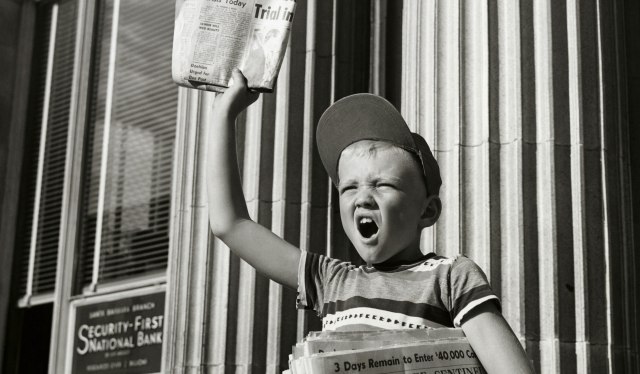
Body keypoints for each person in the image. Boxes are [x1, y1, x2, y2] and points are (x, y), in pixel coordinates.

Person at [207, 69, 535, 373]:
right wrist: (224, 114)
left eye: (383, 185)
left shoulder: (451, 277)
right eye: (349, 187)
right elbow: (230, 224)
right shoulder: (330, 280)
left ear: (428, 211)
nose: (362, 197)